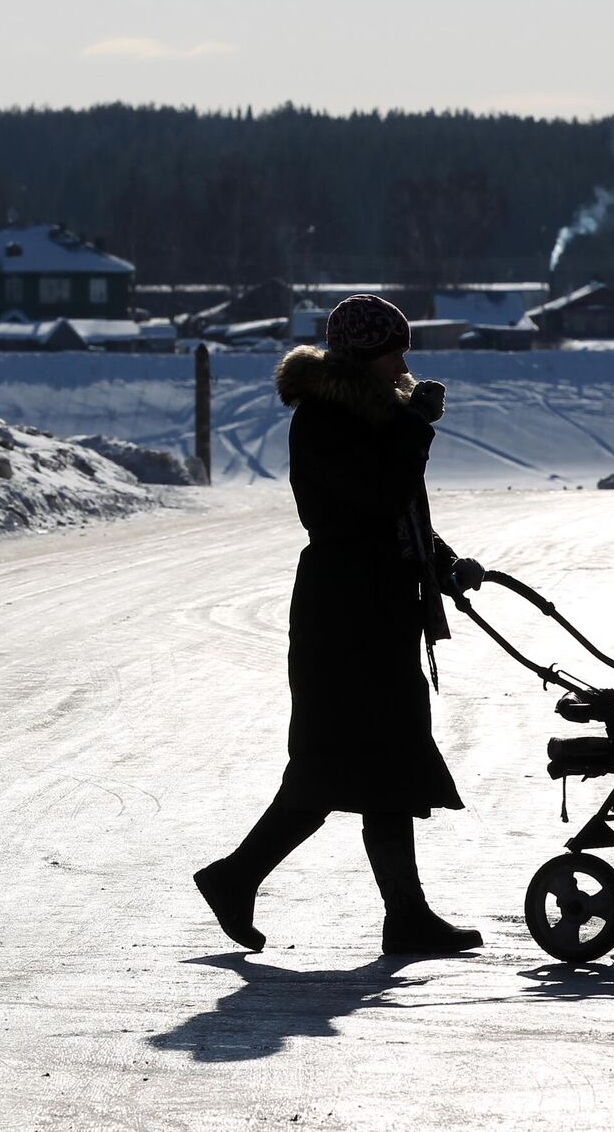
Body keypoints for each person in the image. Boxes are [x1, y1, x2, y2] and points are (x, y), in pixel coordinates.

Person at [194, 293, 486, 956]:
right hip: (345, 614)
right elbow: (377, 498)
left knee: (388, 766)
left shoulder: (372, 415)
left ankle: (404, 916)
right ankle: (235, 875)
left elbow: (397, 514)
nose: (403, 362)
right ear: (363, 354)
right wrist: (415, 426)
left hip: (375, 609)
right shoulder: (327, 419)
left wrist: (442, 563)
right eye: (394, 350)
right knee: (333, 767)